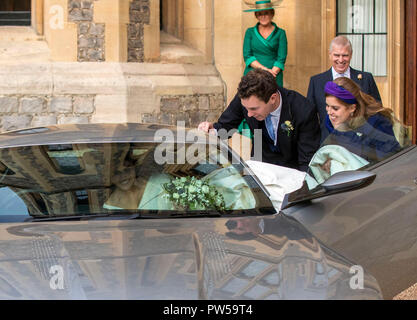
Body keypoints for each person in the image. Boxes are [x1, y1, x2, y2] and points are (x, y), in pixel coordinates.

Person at [198, 69, 320, 172]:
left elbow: (307, 161)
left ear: (273, 98)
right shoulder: (246, 100)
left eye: (254, 109)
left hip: (292, 171)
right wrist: (211, 130)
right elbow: (225, 126)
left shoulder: (304, 110)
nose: (249, 114)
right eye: (246, 109)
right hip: (260, 166)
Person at [307, 35, 382, 141]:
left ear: (351, 55)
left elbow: (377, 109)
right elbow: (310, 118)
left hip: (362, 143)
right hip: (328, 142)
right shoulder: (316, 81)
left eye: (345, 55)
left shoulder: (366, 79)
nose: (341, 60)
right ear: (330, 55)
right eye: (336, 55)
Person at [322, 77, 401, 164]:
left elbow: (385, 158)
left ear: (352, 108)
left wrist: (341, 131)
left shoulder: (377, 122)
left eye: (335, 108)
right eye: (327, 106)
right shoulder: (330, 121)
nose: (329, 112)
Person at [238, 0, 288, 137]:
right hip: (253, 74)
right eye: (260, 13)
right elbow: (247, 56)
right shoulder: (250, 32)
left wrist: (273, 72)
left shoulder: (280, 33)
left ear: (272, 13)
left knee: (270, 105)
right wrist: (264, 70)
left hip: (274, 76)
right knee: (252, 105)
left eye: (266, 13)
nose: (263, 16)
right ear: (256, 15)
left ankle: (272, 136)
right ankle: (254, 137)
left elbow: (281, 57)